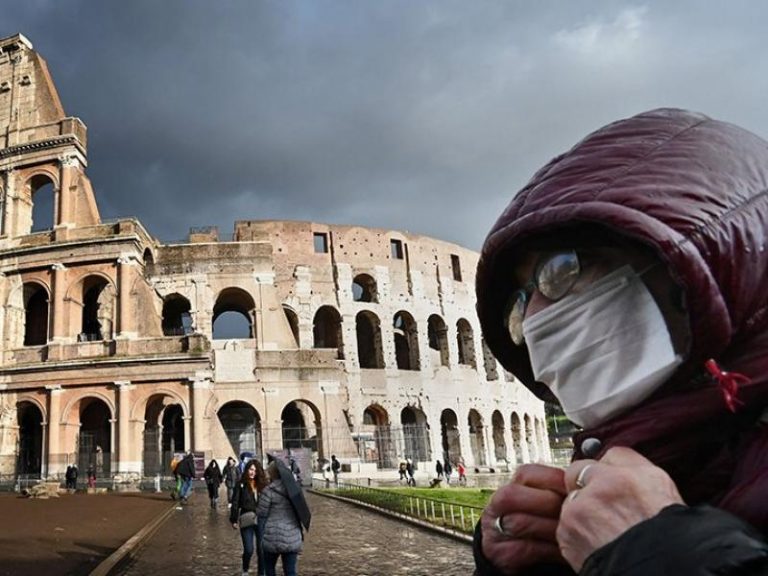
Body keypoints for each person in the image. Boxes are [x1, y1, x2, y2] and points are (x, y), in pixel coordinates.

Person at [472, 108, 768, 575]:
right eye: (519, 302)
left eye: (561, 270)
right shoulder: (628, 467)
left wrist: (658, 553)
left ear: (692, 265)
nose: (530, 323)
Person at [257, 461, 304, 576]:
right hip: (292, 537)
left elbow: (261, 514)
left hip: (272, 537)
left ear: (272, 474)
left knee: (269, 569)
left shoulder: (268, 491)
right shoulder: (294, 490)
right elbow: (301, 511)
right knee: (290, 571)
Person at [230, 459, 269, 576]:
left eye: (255, 470)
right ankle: (245, 569)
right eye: (251, 469)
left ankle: (261, 573)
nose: (253, 472)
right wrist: (233, 519)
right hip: (247, 518)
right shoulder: (241, 484)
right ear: (247, 469)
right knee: (249, 549)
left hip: (261, 519)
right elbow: (235, 502)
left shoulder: (263, 484)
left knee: (261, 550)